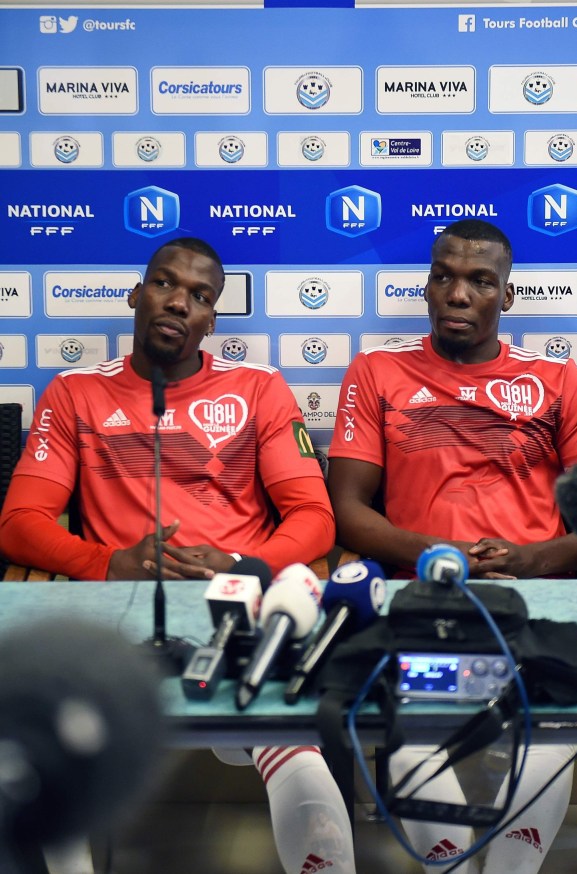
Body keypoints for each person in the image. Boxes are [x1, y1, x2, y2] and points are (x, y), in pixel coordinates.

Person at [0, 237, 355, 874]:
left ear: (212, 319)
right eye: (165, 284)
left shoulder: (259, 387)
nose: (178, 303)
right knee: (50, 747)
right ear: (136, 295)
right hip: (113, 617)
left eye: (199, 296)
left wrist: (244, 567)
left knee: (294, 745)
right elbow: (19, 523)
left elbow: (314, 518)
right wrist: (109, 563)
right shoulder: (77, 391)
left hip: (234, 609)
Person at [326, 218, 577, 873]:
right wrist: (437, 550)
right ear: (427, 287)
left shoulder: (558, 379)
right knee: (404, 729)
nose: (458, 293)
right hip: (418, 600)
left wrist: (532, 558)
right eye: (444, 276)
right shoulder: (377, 372)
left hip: (533, 604)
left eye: (480, 281)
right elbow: (347, 514)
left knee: (552, 725)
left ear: (507, 298)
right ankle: (450, 862)